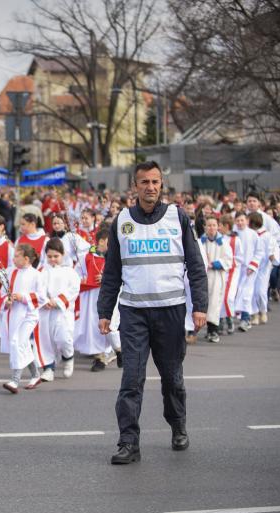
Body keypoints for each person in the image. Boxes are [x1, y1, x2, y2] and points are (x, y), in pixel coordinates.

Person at [98, 161, 208, 465]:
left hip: (170, 312)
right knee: (131, 379)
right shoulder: (121, 221)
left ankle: (178, 424)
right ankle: (128, 442)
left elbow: (196, 267)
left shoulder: (178, 217)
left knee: (172, 378)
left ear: (162, 185)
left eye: (155, 182)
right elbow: (112, 272)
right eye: (144, 182)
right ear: (135, 186)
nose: (150, 187)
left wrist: (200, 306)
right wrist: (104, 310)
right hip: (134, 314)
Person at [0, 244, 45, 392]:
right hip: (14, 314)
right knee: (22, 344)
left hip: (29, 315)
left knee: (17, 342)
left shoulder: (36, 275)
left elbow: (42, 297)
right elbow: (4, 293)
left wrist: (23, 297)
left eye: (16, 256)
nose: (13, 259)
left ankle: (15, 380)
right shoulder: (11, 272)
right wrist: (7, 301)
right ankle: (35, 374)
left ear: (26, 259)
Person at [35, 238, 80, 381]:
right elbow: (37, 289)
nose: (53, 259)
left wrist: (58, 301)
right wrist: (45, 301)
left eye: (56, 256)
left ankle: (68, 357)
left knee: (63, 338)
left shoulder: (70, 272)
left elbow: (73, 289)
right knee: (46, 340)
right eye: (49, 256)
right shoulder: (41, 271)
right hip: (45, 311)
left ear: (63, 254)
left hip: (62, 312)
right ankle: (49, 368)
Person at [74, 229, 118, 372]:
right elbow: (76, 272)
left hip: (109, 295)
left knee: (110, 324)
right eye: (109, 242)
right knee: (93, 325)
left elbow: (121, 273)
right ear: (101, 241)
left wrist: (106, 278)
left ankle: (111, 351)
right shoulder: (86, 256)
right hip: (90, 295)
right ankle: (100, 353)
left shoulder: (114, 256)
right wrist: (81, 278)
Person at [200, 216, 232, 343]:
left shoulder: (223, 242)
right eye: (209, 225)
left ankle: (213, 330)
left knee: (214, 302)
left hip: (216, 276)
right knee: (203, 302)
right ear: (205, 227)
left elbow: (228, 260)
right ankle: (203, 329)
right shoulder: (201, 241)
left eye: (214, 225)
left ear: (218, 226)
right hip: (203, 276)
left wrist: (214, 264)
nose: (211, 228)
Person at [233, 211, 262, 331]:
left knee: (246, 294)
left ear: (247, 221)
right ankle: (229, 319)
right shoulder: (233, 234)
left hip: (248, 269)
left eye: (242, 220)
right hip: (235, 268)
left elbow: (259, 251)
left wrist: (253, 265)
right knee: (234, 293)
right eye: (238, 220)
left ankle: (245, 319)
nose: (240, 223)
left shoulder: (253, 234)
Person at [248, 212, 276, 325]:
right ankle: (254, 314)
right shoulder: (249, 234)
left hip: (264, 267)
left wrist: (272, 256)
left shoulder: (266, 235)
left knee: (260, 291)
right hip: (251, 266)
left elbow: (271, 249)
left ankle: (263, 311)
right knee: (251, 291)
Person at [218, 215, 241, 335]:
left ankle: (229, 319)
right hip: (220, 271)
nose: (218, 227)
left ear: (226, 226)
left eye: (220, 225)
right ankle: (220, 321)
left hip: (232, 271)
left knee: (228, 297)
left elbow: (239, 257)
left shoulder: (235, 240)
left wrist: (231, 263)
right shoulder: (219, 238)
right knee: (219, 297)